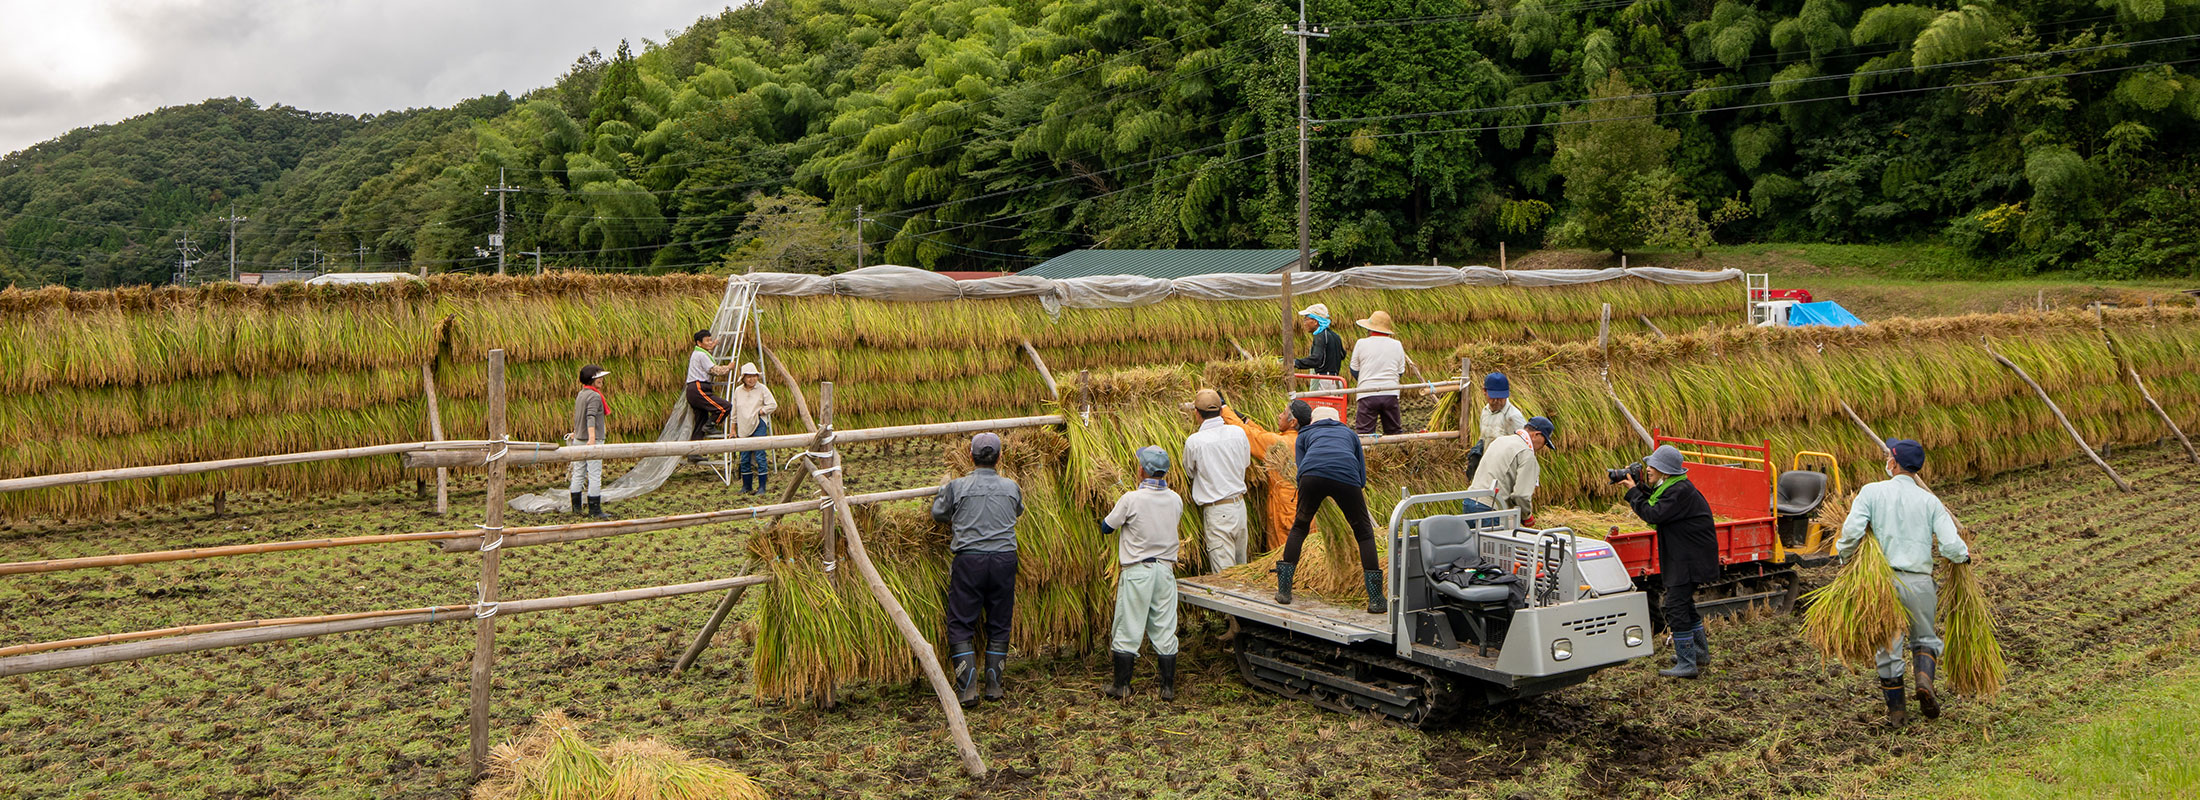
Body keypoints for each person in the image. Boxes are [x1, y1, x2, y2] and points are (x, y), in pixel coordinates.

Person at [1837, 438, 1971, 725]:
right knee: (1924, 638)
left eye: (1889, 456)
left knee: (1888, 646)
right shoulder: (1929, 501)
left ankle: (1897, 712)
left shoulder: (1872, 492)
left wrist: (1844, 555)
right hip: (1921, 582)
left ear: (1893, 463)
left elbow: (1851, 532)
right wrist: (1963, 557)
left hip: (1884, 583)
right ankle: (1924, 681)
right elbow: (1950, 544)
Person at [931, 433, 1024, 707]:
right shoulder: (1011, 487)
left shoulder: (957, 487)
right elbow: (1017, 511)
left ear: (970, 457)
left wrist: (943, 489)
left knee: (961, 623)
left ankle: (967, 689)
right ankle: (994, 687)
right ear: (1000, 457)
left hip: (970, 561)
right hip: (1005, 559)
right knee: (999, 621)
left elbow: (938, 514)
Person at [1273, 404, 1386, 615]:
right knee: (1364, 533)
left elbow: (1301, 466)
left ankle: (1284, 592)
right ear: (1338, 421)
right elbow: (1361, 475)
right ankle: (1376, 599)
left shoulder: (1306, 433)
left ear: (1315, 420)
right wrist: (1350, 488)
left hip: (1311, 476)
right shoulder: (1349, 434)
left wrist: (1310, 488)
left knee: (1300, 527)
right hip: (1347, 478)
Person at [1618, 445, 1718, 679]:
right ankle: (1698, 654)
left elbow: (1653, 514)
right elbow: (1655, 506)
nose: (1648, 469)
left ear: (1665, 471)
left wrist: (1634, 491)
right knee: (1684, 605)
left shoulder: (1679, 491)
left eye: (1652, 466)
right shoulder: (1674, 488)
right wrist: (1638, 488)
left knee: (1675, 606)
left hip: (1690, 560)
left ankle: (1686, 663)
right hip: (1688, 557)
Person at [1101, 446, 1185, 700]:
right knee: (1164, 627)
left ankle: (1121, 686)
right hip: (1165, 572)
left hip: (1138, 571)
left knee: (1129, 626)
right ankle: (1167, 688)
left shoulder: (1131, 499)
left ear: (1141, 470)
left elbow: (1107, 527)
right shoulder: (1175, 499)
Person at [1221, 400, 1310, 552]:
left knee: (1284, 554)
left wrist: (1224, 409)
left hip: (1286, 509)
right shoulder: (1301, 440)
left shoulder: (1280, 443)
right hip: (1301, 505)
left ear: (1293, 422)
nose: (1279, 415)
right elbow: (1263, 435)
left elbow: (1248, 435)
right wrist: (1247, 420)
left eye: (1283, 413)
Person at [1182, 389, 1253, 572]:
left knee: (1225, 577)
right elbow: (1246, 462)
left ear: (1197, 414)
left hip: (1217, 511)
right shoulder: (1238, 433)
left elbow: (1189, 472)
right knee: (1241, 569)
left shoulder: (1194, 442)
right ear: (1222, 411)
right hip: (1239, 507)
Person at [1464, 416, 1555, 523]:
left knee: (1473, 539)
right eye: (1545, 442)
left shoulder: (1500, 440)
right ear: (1536, 435)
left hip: (1470, 502)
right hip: (1491, 509)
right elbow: (1521, 495)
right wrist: (1527, 516)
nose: (1543, 446)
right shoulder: (1527, 454)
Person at [1347, 310, 1409, 436]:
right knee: (1394, 432)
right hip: (1390, 393)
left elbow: (1354, 369)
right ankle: (1397, 453)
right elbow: (1400, 372)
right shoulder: (1397, 345)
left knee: (1364, 432)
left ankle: (1367, 454)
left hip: (1367, 393)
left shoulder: (1361, 343)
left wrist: (1365, 380)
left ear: (1369, 329)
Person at [568, 365, 612, 519]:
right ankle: (594, 510)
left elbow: (578, 416)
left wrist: (576, 432)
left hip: (579, 439)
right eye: (598, 377)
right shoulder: (594, 396)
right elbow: (590, 417)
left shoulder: (581, 394)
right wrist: (592, 439)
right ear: (591, 379)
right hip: (590, 440)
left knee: (578, 472)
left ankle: (576, 508)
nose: (601, 380)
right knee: (594, 474)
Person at [729, 363, 779, 496]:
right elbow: (734, 411)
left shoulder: (762, 389)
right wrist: (733, 429)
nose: (752, 379)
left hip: (758, 424)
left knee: (760, 455)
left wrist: (762, 411)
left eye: (754, 376)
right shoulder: (738, 391)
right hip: (743, 425)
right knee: (744, 456)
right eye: (749, 377)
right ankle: (747, 486)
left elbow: (773, 404)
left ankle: (762, 487)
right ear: (743, 378)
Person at [684, 329, 734, 457]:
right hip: (698, 388)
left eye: (711, 340)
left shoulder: (699, 353)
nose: (710, 342)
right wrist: (728, 368)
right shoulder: (701, 355)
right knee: (725, 407)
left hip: (694, 390)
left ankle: (694, 453)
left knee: (700, 421)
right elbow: (714, 370)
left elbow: (709, 352)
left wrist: (714, 345)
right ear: (699, 343)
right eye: (707, 341)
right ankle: (711, 425)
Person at [1293, 303, 1345, 381]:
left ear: (1315, 321)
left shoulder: (1320, 336)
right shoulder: (1335, 336)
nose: (1304, 323)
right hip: (1335, 379)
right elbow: (1342, 354)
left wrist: (1295, 363)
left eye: (1306, 319)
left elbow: (1316, 360)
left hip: (1324, 379)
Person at [1477, 373, 1529, 448]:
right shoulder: (1485, 412)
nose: (1497, 400)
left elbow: (1524, 447)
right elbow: (1483, 438)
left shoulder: (1513, 416)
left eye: (1501, 397)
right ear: (1484, 391)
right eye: (1493, 396)